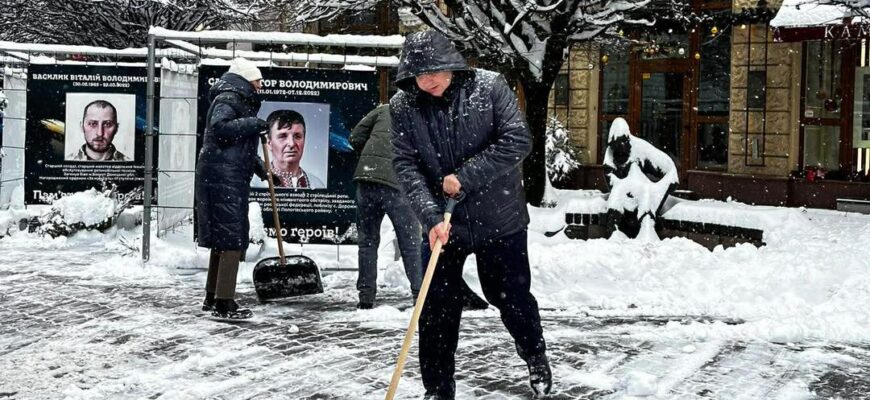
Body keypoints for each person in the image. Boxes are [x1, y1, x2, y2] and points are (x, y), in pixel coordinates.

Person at [390, 31, 551, 399]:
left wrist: (464, 178)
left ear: (452, 65)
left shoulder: (490, 87)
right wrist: (430, 217)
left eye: (434, 71)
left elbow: (517, 140)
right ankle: (438, 389)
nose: (427, 80)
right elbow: (405, 163)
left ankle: (535, 354)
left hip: (500, 217)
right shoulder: (403, 106)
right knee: (436, 308)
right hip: (445, 224)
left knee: (509, 295)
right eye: (419, 74)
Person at [195, 57, 269, 319]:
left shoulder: (234, 98)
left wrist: (261, 168)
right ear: (247, 79)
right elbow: (221, 128)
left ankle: (213, 296)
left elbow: (234, 144)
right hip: (223, 178)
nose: (260, 85)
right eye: (258, 80)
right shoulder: (230, 98)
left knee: (223, 238)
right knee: (231, 237)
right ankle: (224, 303)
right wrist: (252, 124)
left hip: (224, 175)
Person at [350, 104, 422, 309]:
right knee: (410, 242)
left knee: (367, 241)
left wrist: (371, 159)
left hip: (366, 177)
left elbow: (355, 137)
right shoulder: (424, 115)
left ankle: (366, 297)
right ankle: (419, 295)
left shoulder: (384, 109)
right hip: (397, 181)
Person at [603, 117, 679, 240]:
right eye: (615, 147)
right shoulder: (610, 155)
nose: (618, 150)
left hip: (643, 189)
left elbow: (670, 171)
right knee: (616, 197)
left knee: (645, 196)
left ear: (627, 140)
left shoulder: (640, 149)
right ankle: (614, 235)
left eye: (621, 145)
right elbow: (610, 178)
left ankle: (647, 232)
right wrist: (622, 192)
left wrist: (659, 190)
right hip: (623, 189)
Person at [251, 109, 325, 189]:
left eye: (297, 136)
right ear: (269, 143)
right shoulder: (254, 184)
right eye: (283, 136)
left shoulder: (318, 185)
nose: (292, 143)